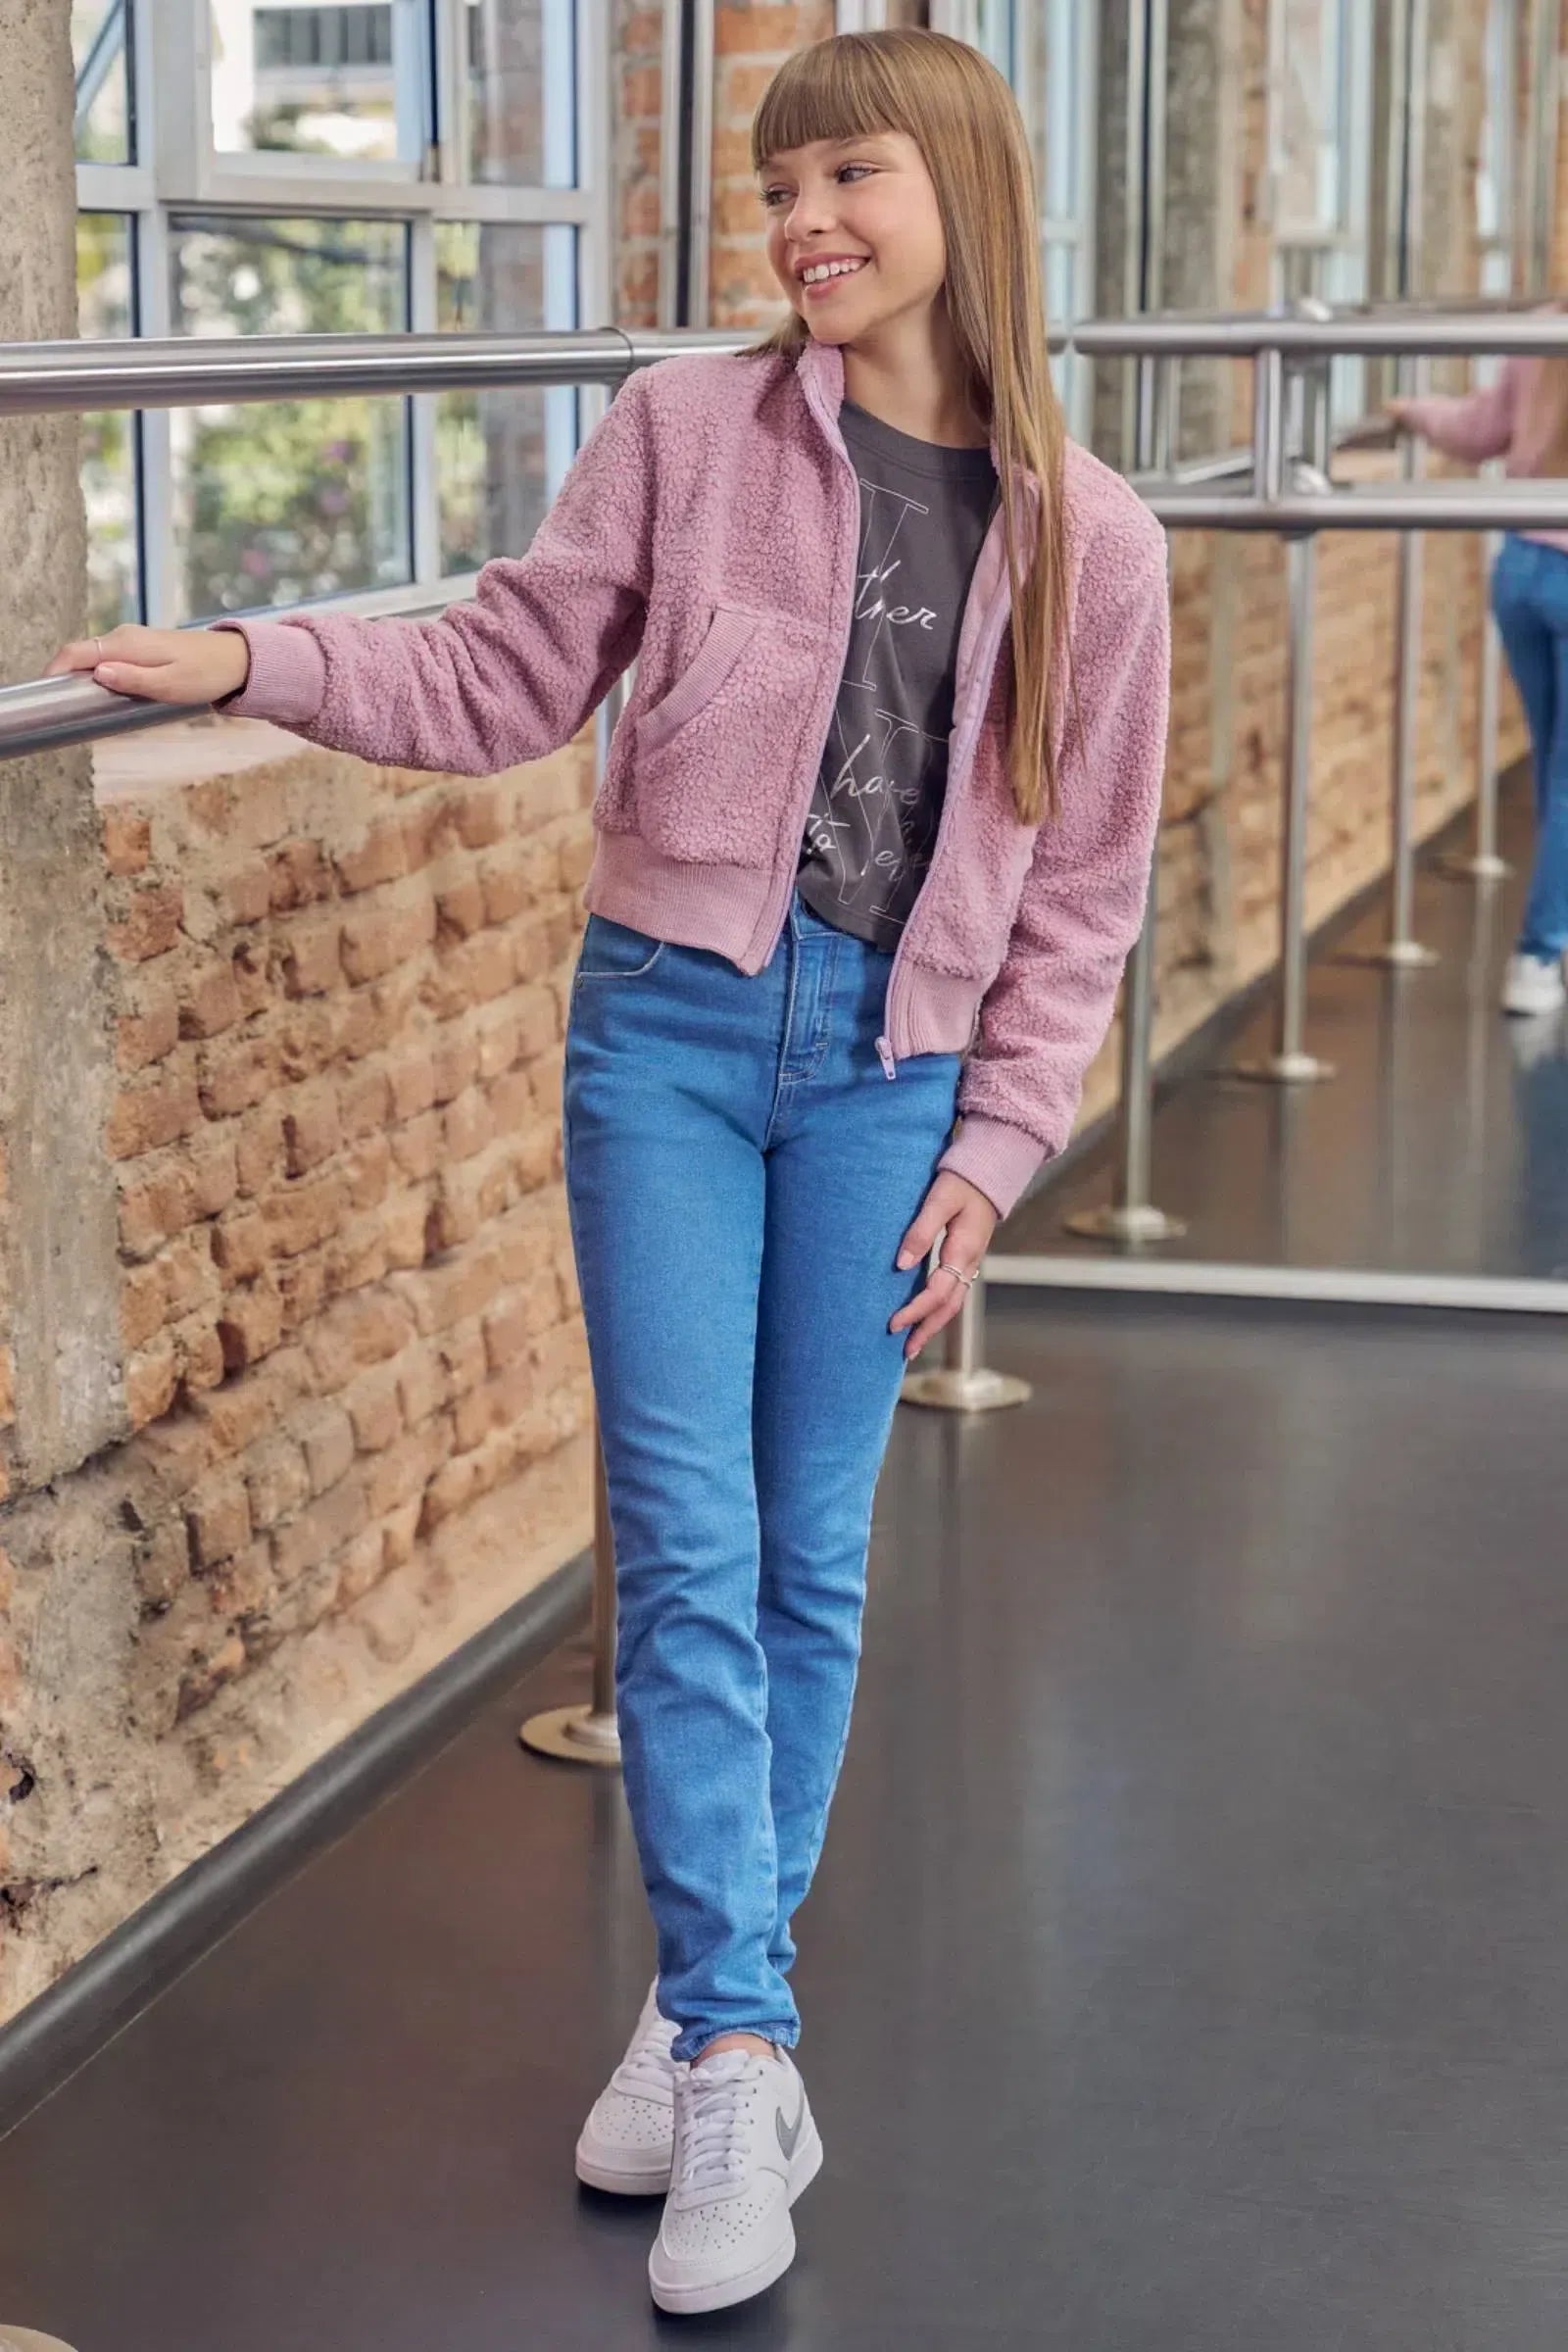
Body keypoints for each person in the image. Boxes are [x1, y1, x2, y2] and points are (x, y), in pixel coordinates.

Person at [50, 28, 1169, 2320]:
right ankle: (741, 2040)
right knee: (681, 1533)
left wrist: (995, 1144)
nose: (800, 225)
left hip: (893, 1079)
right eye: (777, 188)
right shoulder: (684, 431)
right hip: (664, 1034)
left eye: (845, 176)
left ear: (960, 183)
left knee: (805, 1550)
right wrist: (249, 653)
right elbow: (501, 670)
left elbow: (1078, 897)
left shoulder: (1096, 542)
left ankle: (701, 2007)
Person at [1390, 335, 1568, 1016]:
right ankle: (1539, 954)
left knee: (1555, 773)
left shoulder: (1543, 331)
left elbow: (1479, 430)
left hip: (1520, 568)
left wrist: (1414, 411)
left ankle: (1552, 940)